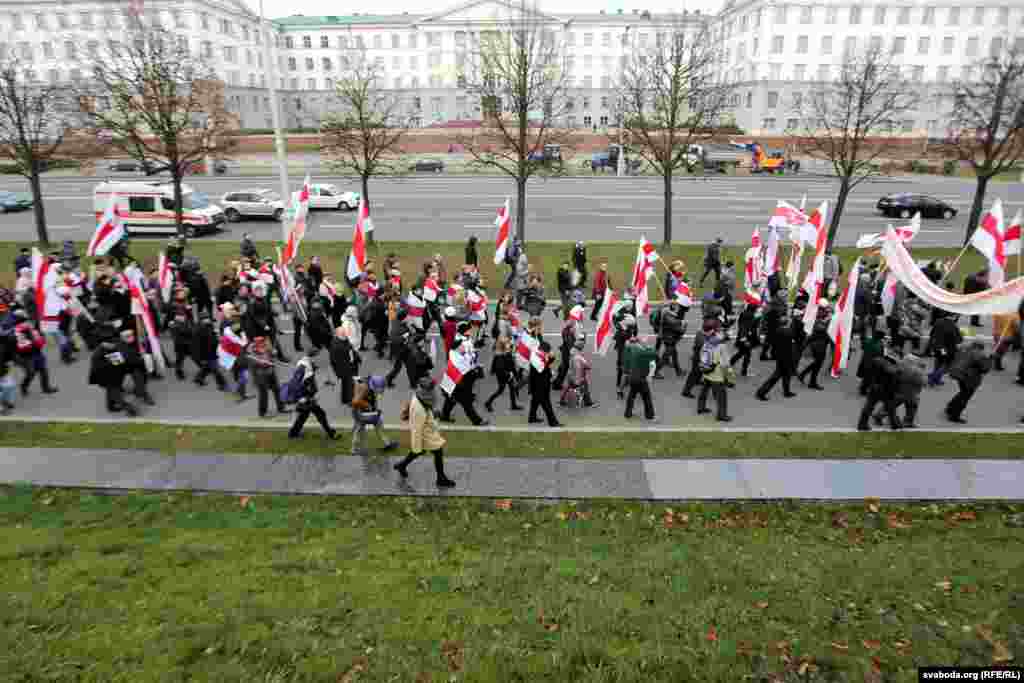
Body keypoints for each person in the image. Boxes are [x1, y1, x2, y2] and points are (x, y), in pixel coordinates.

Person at [394, 377, 455, 488]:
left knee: (419, 452)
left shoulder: (420, 397)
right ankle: (441, 478)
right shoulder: (418, 410)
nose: (433, 391)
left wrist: (432, 413)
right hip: (424, 433)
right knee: (437, 451)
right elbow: (416, 430)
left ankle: (402, 465)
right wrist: (416, 446)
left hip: (426, 428)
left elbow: (425, 405)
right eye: (430, 388)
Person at [88, 324, 137, 416]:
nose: (114, 344)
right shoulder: (99, 354)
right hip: (105, 374)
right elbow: (115, 361)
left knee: (110, 390)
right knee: (114, 392)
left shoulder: (107, 347)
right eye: (111, 343)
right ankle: (128, 408)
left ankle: (110, 406)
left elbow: (118, 359)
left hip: (109, 372)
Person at [287, 352, 339, 440]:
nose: (317, 366)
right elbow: (295, 384)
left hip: (307, 397)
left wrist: (324, 383)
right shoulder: (303, 368)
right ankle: (331, 434)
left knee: (304, 416)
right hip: (305, 398)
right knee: (320, 414)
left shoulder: (308, 366)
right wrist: (301, 398)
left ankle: (293, 433)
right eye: (316, 363)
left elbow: (310, 382)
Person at [440, 340, 488, 426]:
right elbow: (466, 371)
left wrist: (475, 366)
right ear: (457, 348)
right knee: (467, 404)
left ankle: (444, 416)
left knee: (450, 401)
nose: (464, 347)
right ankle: (477, 421)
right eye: (462, 346)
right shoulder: (457, 360)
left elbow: (468, 366)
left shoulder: (456, 355)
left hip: (453, 385)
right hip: (458, 386)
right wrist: (476, 370)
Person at [12, 309, 58, 395]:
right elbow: (21, 344)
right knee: (31, 373)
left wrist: (40, 340)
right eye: (21, 315)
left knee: (43, 369)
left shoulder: (29, 324)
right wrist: (33, 342)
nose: (24, 316)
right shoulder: (17, 329)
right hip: (27, 355)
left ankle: (46, 387)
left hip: (36, 351)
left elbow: (36, 334)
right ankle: (24, 386)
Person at [350, 375, 398, 456]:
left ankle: (354, 449)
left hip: (364, 414)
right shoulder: (365, 387)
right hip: (365, 414)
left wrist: (373, 408)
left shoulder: (365, 384)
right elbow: (355, 401)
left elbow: (359, 400)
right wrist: (368, 406)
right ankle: (387, 444)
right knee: (372, 429)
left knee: (360, 431)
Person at [945, 341, 992, 424]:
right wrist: (990, 359)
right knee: (965, 397)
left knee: (962, 393)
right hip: (969, 378)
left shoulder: (964, 349)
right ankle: (954, 415)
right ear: (980, 347)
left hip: (958, 374)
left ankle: (950, 408)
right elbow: (985, 369)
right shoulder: (979, 354)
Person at [697, 325, 734, 422]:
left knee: (704, 391)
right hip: (717, 374)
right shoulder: (722, 346)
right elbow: (725, 365)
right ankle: (721, 415)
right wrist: (730, 378)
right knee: (721, 396)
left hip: (706, 371)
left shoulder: (707, 342)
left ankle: (701, 407)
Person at [755, 316, 797, 401]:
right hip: (786, 356)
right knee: (777, 376)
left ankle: (787, 391)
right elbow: (791, 343)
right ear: (787, 323)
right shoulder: (788, 331)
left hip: (779, 355)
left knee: (786, 375)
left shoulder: (778, 330)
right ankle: (761, 392)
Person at [247, 336, 290, 418]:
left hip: (270, 371)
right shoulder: (251, 351)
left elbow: (272, 355)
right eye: (260, 342)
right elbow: (253, 363)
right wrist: (262, 362)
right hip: (260, 375)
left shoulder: (266, 345)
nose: (262, 343)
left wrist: (273, 353)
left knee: (277, 389)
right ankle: (262, 412)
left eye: (263, 341)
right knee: (263, 393)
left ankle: (281, 408)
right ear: (255, 342)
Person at [796, 303, 832, 390]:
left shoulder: (821, 317)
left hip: (821, 344)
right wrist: (828, 320)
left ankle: (803, 375)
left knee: (817, 363)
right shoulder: (815, 318)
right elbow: (820, 328)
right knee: (818, 364)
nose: (826, 312)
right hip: (817, 344)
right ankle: (812, 382)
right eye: (824, 310)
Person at [623, 331, 657, 420]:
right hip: (640, 379)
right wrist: (646, 345)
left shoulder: (630, 349)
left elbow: (626, 361)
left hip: (632, 377)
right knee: (647, 397)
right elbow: (654, 354)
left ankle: (628, 413)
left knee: (631, 395)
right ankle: (650, 416)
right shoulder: (641, 351)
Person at [528, 340, 562, 427]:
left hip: (538, 385)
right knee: (546, 404)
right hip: (540, 386)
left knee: (535, 401)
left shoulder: (538, 356)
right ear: (543, 351)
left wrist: (551, 358)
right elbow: (543, 368)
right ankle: (553, 422)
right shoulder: (538, 359)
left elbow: (546, 363)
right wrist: (549, 359)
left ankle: (532, 417)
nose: (549, 352)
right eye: (548, 351)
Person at [485, 335, 521, 412]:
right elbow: (500, 369)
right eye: (508, 343)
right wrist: (510, 374)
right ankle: (488, 402)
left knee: (512, 388)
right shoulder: (500, 356)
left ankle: (513, 405)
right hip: (503, 376)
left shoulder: (507, 352)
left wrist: (515, 374)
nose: (510, 344)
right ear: (504, 346)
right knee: (500, 390)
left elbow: (511, 364)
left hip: (508, 374)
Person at [191, 312, 227, 390]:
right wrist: (199, 357)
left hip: (211, 350)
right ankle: (222, 384)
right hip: (206, 352)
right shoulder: (198, 330)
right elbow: (197, 345)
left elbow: (212, 336)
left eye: (207, 318)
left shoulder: (208, 326)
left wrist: (216, 336)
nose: (206, 320)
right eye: (204, 319)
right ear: (200, 320)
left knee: (207, 367)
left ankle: (199, 378)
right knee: (215, 369)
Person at [927, 310, 962, 387]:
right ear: (955, 316)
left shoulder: (938, 321)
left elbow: (932, 334)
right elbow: (958, 339)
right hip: (946, 349)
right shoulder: (953, 325)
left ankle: (936, 380)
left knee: (938, 363)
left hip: (937, 347)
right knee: (947, 365)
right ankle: (932, 376)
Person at [553, 305, 583, 390]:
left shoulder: (571, 322)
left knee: (564, 366)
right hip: (569, 349)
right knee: (567, 367)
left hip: (567, 348)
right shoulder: (574, 324)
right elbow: (573, 340)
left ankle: (557, 382)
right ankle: (559, 384)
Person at [563, 334, 598, 408]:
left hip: (570, 374)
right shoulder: (579, 357)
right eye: (582, 346)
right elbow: (586, 366)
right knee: (585, 388)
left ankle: (562, 400)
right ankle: (588, 402)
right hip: (578, 376)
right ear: (580, 347)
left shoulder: (572, 351)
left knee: (566, 387)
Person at [654, 301, 686, 379]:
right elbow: (676, 326)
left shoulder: (668, 313)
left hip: (669, 337)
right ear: (671, 306)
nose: (677, 308)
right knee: (665, 357)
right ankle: (655, 372)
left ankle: (678, 371)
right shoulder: (668, 315)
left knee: (674, 354)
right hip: (669, 338)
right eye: (676, 306)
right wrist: (683, 325)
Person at [329, 324, 360, 405]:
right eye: (344, 334)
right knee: (349, 385)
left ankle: (345, 399)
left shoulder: (342, 340)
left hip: (349, 367)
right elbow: (334, 361)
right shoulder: (336, 346)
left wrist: (356, 357)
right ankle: (350, 400)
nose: (346, 335)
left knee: (346, 385)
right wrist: (339, 373)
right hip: (346, 370)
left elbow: (351, 349)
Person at [729, 302, 760, 377]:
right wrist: (745, 340)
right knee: (747, 355)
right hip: (746, 339)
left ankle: (729, 364)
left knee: (741, 353)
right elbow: (745, 328)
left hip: (742, 337)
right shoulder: (750, 316)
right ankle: (744, 371)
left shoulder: (745, 314)